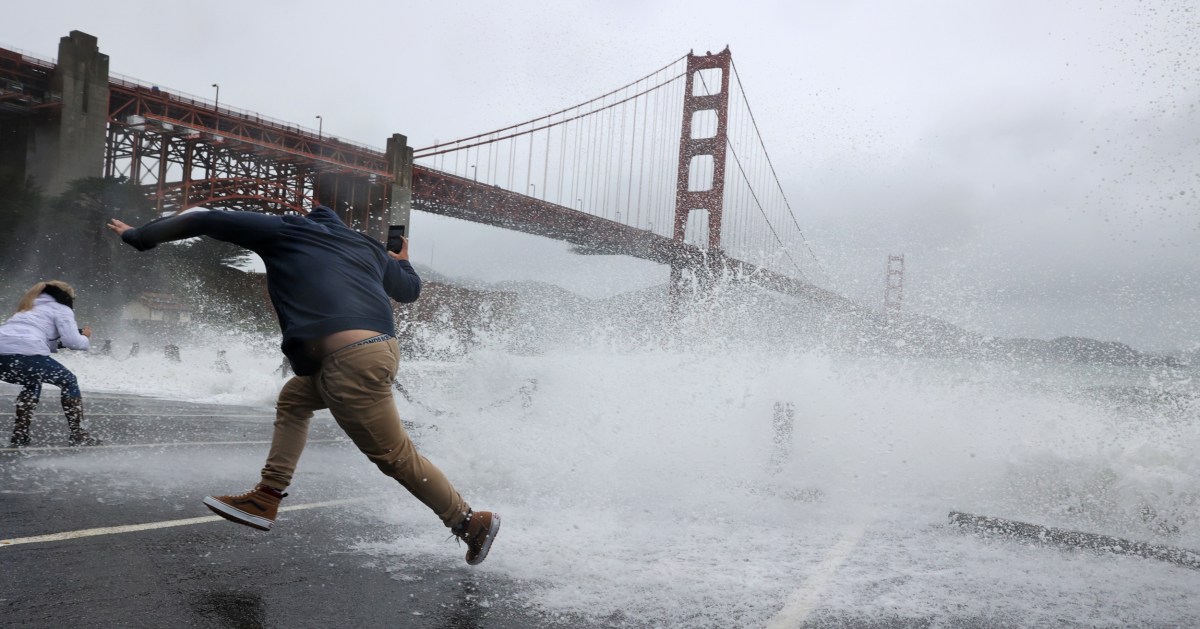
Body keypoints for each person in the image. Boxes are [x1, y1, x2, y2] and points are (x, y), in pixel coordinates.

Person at [106, 206, 500, 565]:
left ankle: (468, 520)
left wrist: (138, 236)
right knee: (294, 398)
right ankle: (267, 495)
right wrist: (404, 261)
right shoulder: (367, 247)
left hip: (351, 362)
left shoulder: (288, 230)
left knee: (395, 457)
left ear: (307, 221)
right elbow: (409, 291)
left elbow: (203, 218)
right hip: (367, 353)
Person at [0, 281, 100, 447]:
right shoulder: (61, 308)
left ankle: (20, 434)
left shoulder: (26, 309)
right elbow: (73, 342)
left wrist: (76, 333)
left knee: (32, 381)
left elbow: (42, 339)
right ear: (67, 296)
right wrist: (85, 337)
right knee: (69, 381)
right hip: (28, 354)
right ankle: (78, 434)